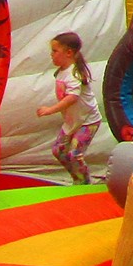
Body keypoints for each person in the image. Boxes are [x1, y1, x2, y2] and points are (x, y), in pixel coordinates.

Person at [35, 31, 101, 184]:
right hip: (73, 121)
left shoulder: (74, 73)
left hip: (88, 122)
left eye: (55, 51)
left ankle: (84, 183)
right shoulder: (62, 72)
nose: (51, 55)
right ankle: (77, 178)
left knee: (74, 154)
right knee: (58, 150)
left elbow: (72, 97)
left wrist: (50, 110)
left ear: (69, 53)